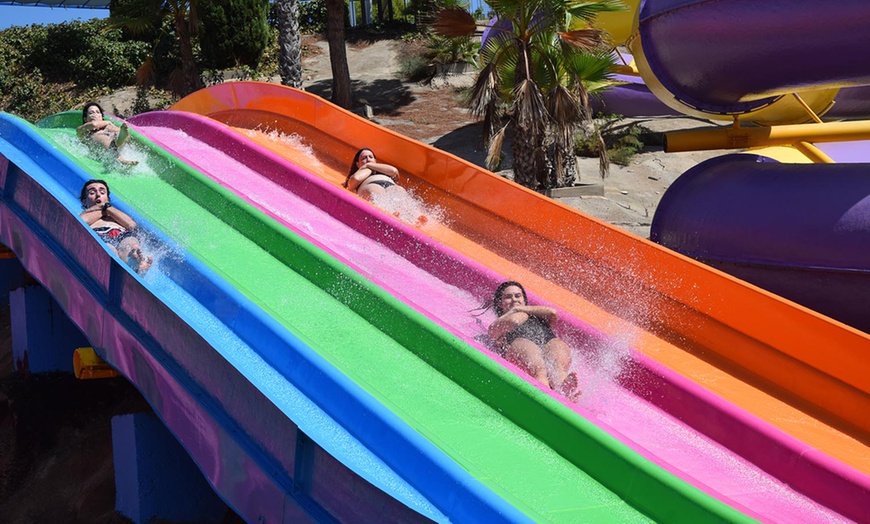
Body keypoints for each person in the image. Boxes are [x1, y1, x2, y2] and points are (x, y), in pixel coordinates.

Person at [486, 281, 579, 399]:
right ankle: (548, 399)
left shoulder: (537, 316)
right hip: (520, 341)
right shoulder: (498, 324)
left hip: (548, 340)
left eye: (518, 296)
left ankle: (564, 392)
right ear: (500, 303)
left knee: (558, 366)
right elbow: (514, 321)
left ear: (524, 300)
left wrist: (521, 309)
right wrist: (516, 311)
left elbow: (553, 312)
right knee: (540, 368)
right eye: (508, 297)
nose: (514, 300)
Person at [79, 179, 152, 275]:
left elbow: (131, 225)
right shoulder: (85, 214)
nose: (98, 195)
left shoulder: (115, 213)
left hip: (122, 233)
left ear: (108, 199)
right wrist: (102, 208)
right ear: (84, 201)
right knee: (109, 249)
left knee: (129, 244)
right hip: (100, 235)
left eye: (102, 192)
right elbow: (81, 222)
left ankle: (134, 261)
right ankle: (129, 266)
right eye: (92, 192)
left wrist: (107, 208)